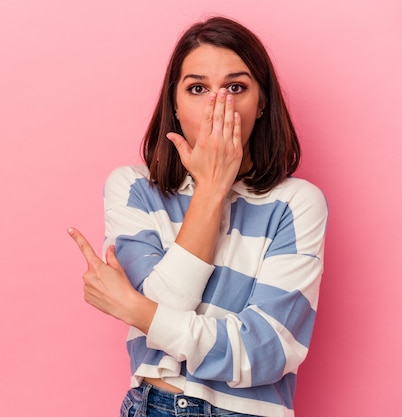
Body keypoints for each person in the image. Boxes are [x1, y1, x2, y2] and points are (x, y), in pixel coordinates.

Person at [68, 16, 327, 417]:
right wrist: (211, 190)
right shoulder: (134, 188)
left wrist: (137, 311)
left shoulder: (297, 203)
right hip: (151, 405)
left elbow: (266, 352)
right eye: (197, 88)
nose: (216, 104)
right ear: (174, 102)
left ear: (261, 104)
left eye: (236, 87)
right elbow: (163, 307)